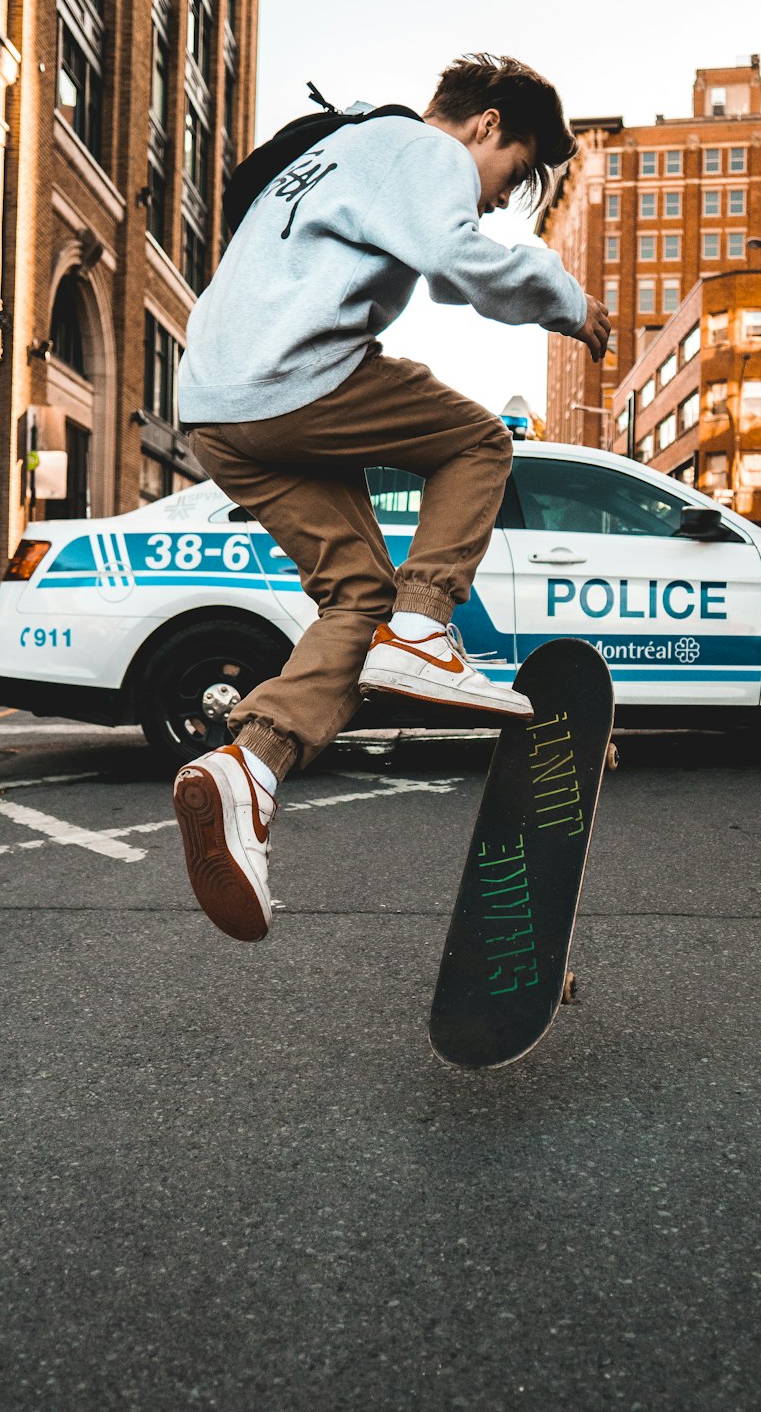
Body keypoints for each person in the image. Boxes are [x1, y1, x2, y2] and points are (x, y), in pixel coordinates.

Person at [172, 52, 610, 943]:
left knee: (353, 594)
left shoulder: (335, 151)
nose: (494, 198)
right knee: (480, 441)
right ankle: (422, 630)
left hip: (215, 412)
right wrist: (568, 300)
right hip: (292, 380)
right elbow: (455, 261)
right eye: (513, 174)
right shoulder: (417, 144)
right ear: (485, 124)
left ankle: (249, 768)